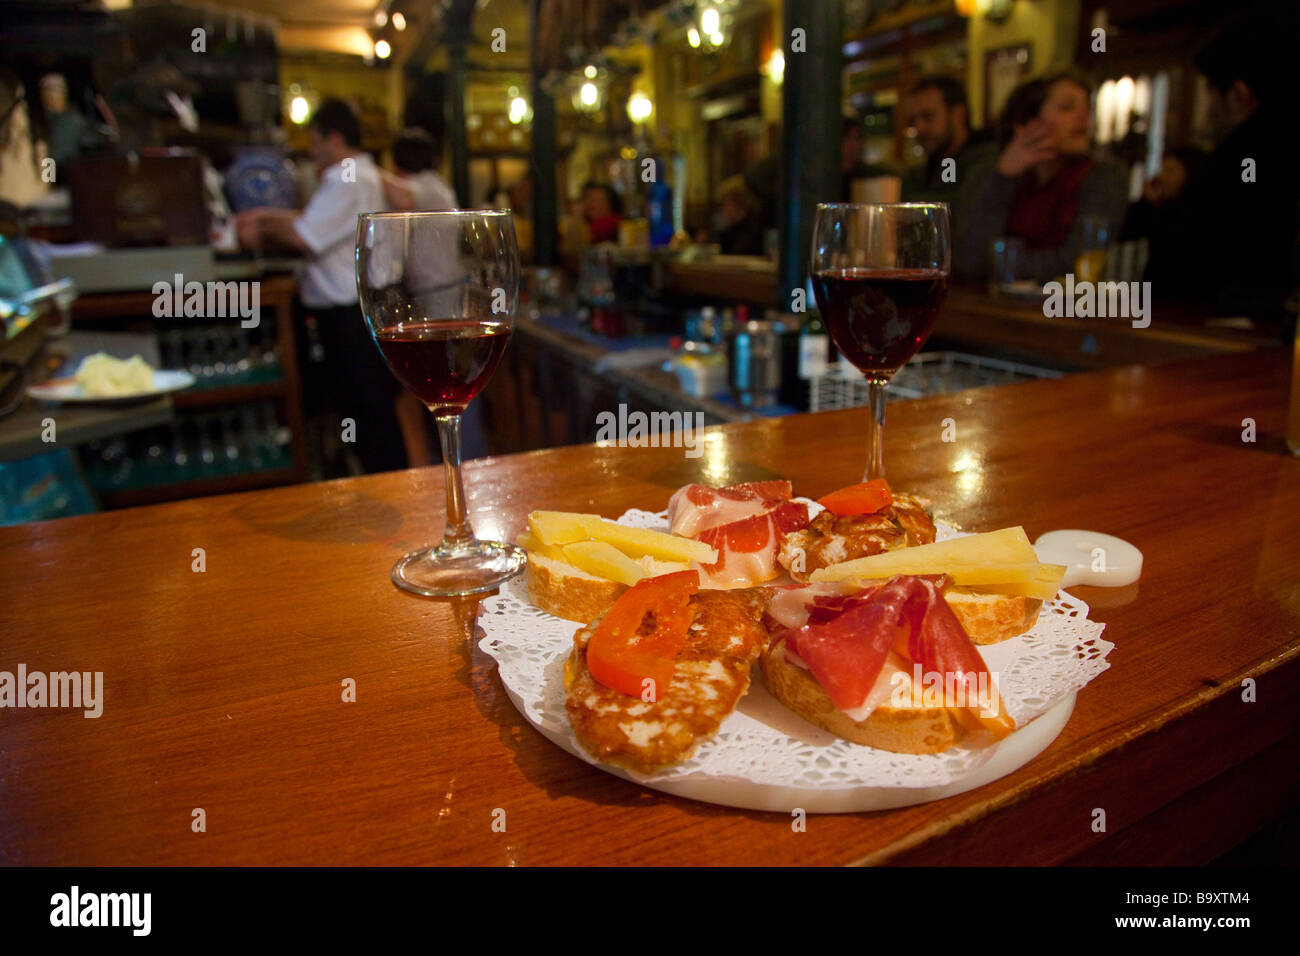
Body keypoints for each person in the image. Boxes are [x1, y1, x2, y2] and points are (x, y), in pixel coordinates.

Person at [234, 99, 403, 476]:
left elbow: (305, 237)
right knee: (367, 411)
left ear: (334, 139)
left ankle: (387, 492)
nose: (310, 152)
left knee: (368, 412)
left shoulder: (348, 176)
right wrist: (266, 216)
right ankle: (380, 489)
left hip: (349, 315)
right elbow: (313, 223)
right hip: (356, 310)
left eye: (314, 141)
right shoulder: (357, 174)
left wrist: (258, 227)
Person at [1144, 10, 1300, 327]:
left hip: (1224, 339)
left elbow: (1181, 273)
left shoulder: (1241, 158)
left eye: (1210, 94)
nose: (1208, 113)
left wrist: (1164, 211)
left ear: (1240, 95)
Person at [953, 70, 1129, 282]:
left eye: (1087, 107)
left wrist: (1000, 265)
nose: (1084, 115)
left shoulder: (1105, 176)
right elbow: (968, 260)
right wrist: (1003, 177)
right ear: (1028, 120)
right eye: (1067, 107)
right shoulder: (986, 174)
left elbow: (1080, 262)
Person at [901, 75, 997, 204]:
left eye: (928, 116)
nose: (919, 128)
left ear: (958, 114)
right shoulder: (924, 170)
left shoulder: (986, 163)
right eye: (912, 120)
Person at [381, 127, 456, 212]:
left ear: (395, 163)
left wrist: (372, 170)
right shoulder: (435, 181)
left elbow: (406, 200)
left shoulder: (429, 184)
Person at [712, 175, 765, 256]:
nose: (722, 210)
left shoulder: (751, 231)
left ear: (737, 204)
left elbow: (733, 256)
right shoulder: (734, 228)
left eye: (724, 203)